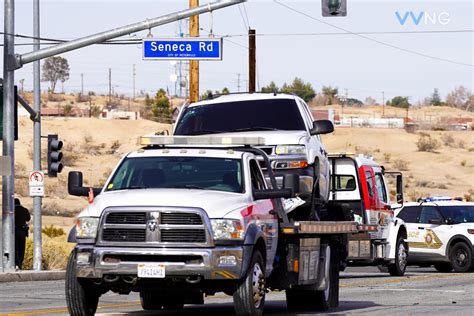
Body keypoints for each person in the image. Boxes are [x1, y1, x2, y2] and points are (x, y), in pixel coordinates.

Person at [15, 198, 31, 269]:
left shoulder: (12, 210)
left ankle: (16, 264)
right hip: (23, 232)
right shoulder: (25, 210)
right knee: (22, 249)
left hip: (14, 232)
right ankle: (20, 264)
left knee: (15, 249)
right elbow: (28, 219)